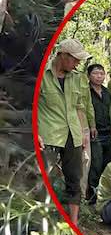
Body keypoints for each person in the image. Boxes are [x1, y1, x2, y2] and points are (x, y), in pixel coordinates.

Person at [37, 38, 91, 224]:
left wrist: (83, 132)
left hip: (73, 135)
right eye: (75, 59)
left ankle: (73, 222)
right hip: (49, 135)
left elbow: (79, 107)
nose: (77, 64)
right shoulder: (41, 75)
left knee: (74, 180)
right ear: (62, 55)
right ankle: (44, 223)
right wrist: (35, 133)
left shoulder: (76, 78)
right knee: (44, 180)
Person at [85, 64, 111, 205]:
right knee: (95, 164)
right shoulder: (85, 92)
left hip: (107, 132)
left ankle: (104, 194)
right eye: (95, 73)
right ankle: (91, 196)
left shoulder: (107, 92)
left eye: (101, 74)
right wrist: (90, 126)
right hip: (93, 133)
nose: (99, 76)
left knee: (106, 163)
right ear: (89, 75)